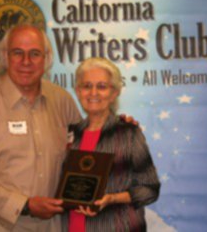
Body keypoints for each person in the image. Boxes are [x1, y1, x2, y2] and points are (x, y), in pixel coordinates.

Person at [0, 24, 82, 231]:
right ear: (5, 56)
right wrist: (24, 205)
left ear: (46, 58)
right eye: (17, 53)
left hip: (51, 226)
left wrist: (120, 128)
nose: (26, 62)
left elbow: (85, 152)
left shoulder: (62, 101)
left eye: (34, 54)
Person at [63, 57, 160, 231]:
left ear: (114, 92)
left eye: (101, 86)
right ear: (78, 91)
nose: (93, 92)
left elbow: (150, 189)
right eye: (86, 86)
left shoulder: (128, 133)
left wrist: (113, 198)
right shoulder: (69, 133)